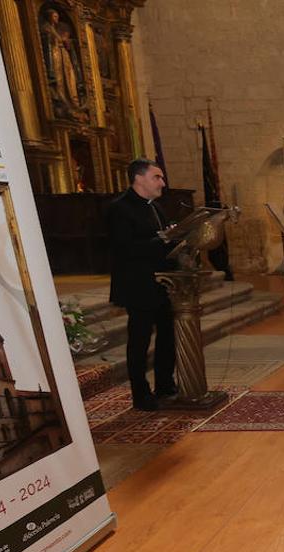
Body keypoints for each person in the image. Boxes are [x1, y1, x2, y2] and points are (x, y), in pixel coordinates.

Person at [108, 158, 176, 411]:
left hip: (163, 284)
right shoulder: (120, 209)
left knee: (168, 337)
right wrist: (164, 239)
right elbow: (124, 250)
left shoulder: (156, 207)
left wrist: (173, 237)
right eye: (157, 177)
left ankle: (165, 384)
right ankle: (141, 393)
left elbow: (162, 241)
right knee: (139, 341)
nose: (162, 182)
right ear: (139, 178)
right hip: (138, 286)